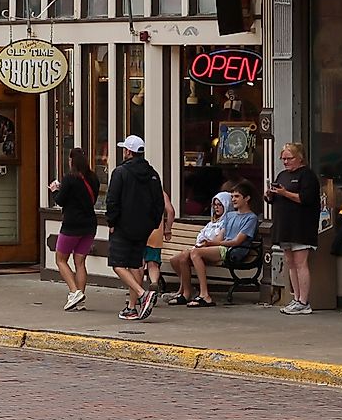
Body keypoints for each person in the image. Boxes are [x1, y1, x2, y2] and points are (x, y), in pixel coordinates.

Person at [102, 135, 165, 322]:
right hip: (144, 228)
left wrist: (111, 222)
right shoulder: (153, 174)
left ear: (129, 151)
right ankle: (131, 307)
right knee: (136, 264)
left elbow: (112, 200)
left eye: (124, 149)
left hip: (123, 225)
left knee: (117, 264)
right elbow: (159, 203)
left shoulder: (120, 172)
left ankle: (142, 294)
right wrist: (152, 224)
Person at [168, 185, 258, 306]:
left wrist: (211, 244)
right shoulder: (229, 215)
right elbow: (220, 237)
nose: (233, 199)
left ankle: (205, 295)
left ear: (247, 198)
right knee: (183, 256)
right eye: (232, 197)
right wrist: (208, 244)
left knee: (195, 253)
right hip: (222, 247)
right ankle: (186, 293)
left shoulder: (251, 218)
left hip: (234, 250)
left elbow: (237, 241)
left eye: (237, 196)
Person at [267, 141, 320, 314]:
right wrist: (271, 195)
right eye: (283, 159)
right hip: (284, 224)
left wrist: (285, 193)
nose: (286, 162)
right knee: (290, 262)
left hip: (301, 225)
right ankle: (296, 298)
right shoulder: (282, 175)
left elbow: (306, 199)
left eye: (289, 158)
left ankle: (304, 301)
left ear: (299, 158)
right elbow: (276, 196)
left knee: (300, 262)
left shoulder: (307, 176)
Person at [48, 146, 100, 311]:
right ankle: (80, 299)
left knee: (60, 259)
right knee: (80, 262)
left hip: (72, 225)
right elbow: (92, 200)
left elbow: (61, 201)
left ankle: (74, 291)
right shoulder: (94, 178)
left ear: (71, 161)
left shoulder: (70, 178)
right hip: (90, 224)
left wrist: (54, 190)